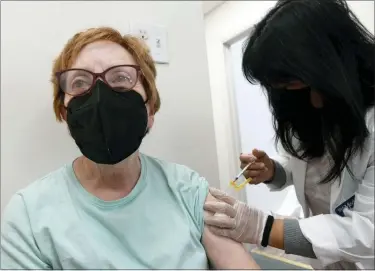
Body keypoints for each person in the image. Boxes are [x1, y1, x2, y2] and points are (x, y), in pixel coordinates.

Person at [0, 27, 260, 270]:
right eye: (80, 82)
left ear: (150, 110)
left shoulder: (188, 189)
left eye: (121, 79)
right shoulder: (29, 216)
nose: (100, 94)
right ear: (64, 113)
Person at [203, 0, 374, 270]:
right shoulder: (306, 106)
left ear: (328, 61)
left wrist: (263, 227)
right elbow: (311, 168)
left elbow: (367, 231)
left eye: (290, 80)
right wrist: (274, 171)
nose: (287, 92)